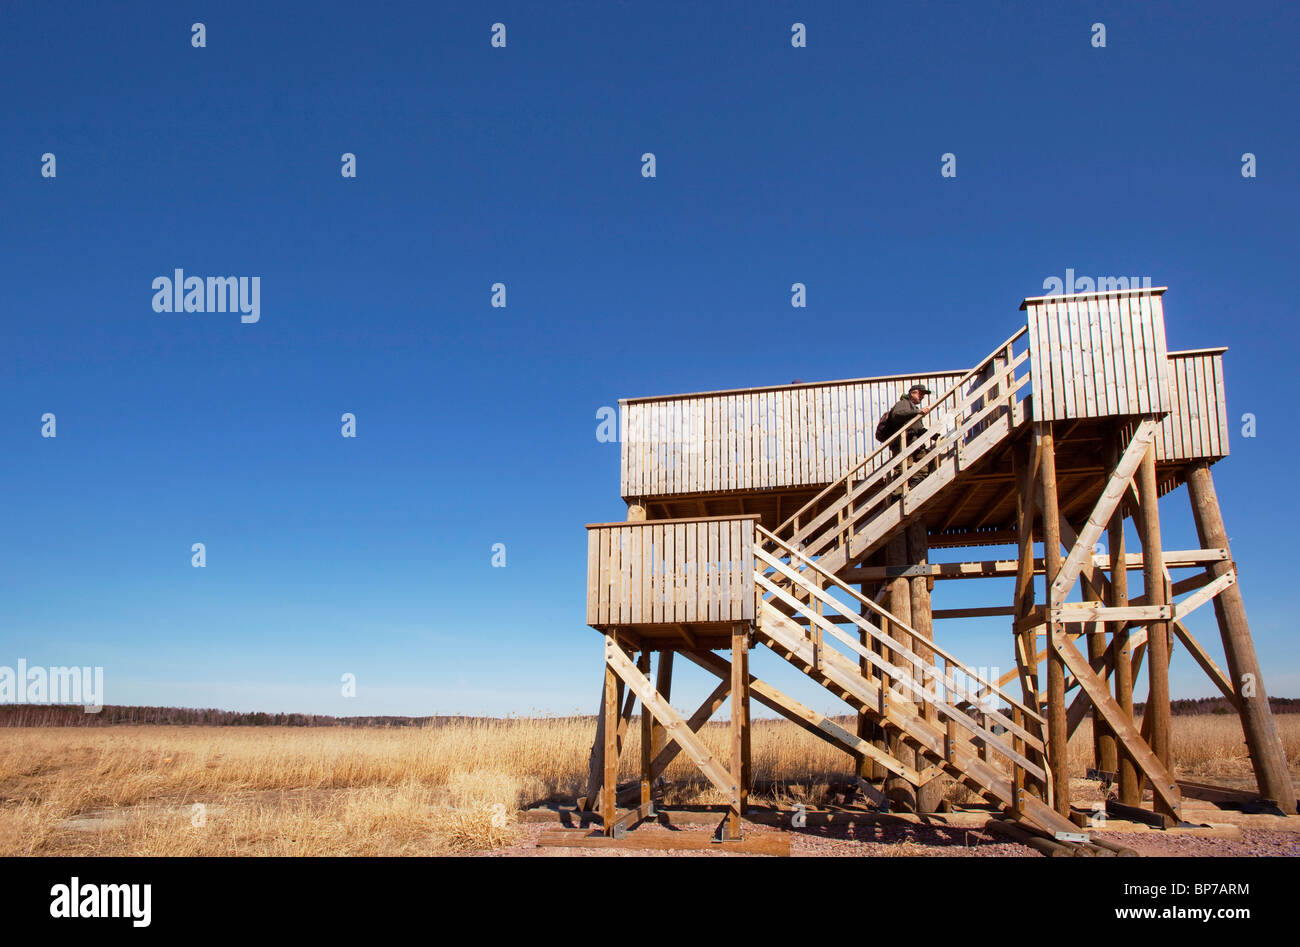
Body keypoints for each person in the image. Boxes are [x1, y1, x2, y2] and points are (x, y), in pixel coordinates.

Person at [877, 384, 932, 490]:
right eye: (921, 394)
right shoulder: (904, 403)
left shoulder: (913, 407)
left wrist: (931, 434)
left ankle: (914, 484)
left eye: (923, 395)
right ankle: (897, 496)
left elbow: (917, 427)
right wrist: (917, 412)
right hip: (903, 443)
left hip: (914, 442)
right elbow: (897, 414)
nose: (922, 397)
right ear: (913, 393)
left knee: (927, 460)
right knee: (903, 469)